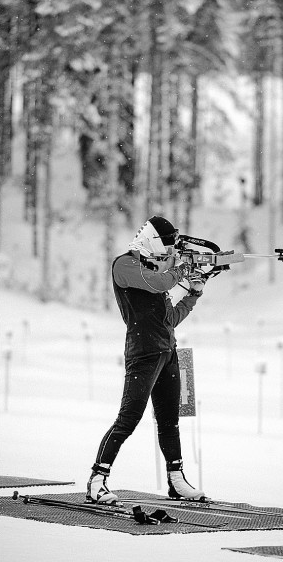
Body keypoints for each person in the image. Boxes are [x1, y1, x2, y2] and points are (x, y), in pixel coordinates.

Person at [86, 215, 206, 504]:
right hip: (143, 354)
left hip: (168, 353)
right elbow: (156, 283)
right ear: (150, 242)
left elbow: (170, 319)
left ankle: (176, 481)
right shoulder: (125, 265)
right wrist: (183, 270)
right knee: (128, 418)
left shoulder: (156, 275)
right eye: (164, 249)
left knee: (169, 421)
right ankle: (97, 480)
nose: (167, 256)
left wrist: (193, 294)